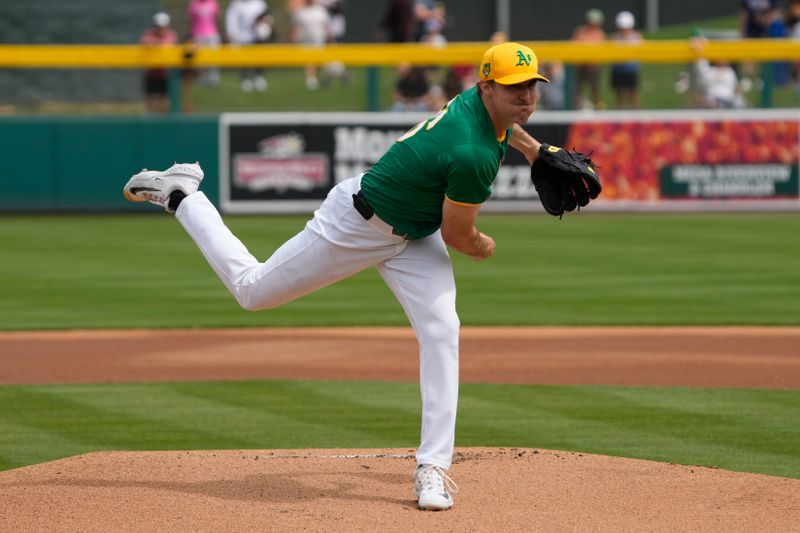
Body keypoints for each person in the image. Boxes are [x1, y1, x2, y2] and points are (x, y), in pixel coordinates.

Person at [123, 42, 554, 512]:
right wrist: (483, 246)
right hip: (356, 225)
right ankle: (183, 194)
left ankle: (433, 467)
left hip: (413, 234)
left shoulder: (476, 105)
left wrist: (535, 153)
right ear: (487, 86)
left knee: (442, 330)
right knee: (252, 292)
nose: (526, 96)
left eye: (532, 85)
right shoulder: (472, 152)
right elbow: (459, 234)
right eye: (514, 86)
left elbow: (504, 127)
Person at [226, 0, 269, 92]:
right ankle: (245, 79)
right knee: (244, 61)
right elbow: (231, 20)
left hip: (257, 37)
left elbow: (266, 18)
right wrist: (233, 36)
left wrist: (264, 27)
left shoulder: (259, 3)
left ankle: (259, 77)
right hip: (243, 38)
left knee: (259, 59)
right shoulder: (236, 3)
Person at [140, 12, 178, 113]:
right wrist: (157, 44)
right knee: (150, 102)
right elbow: (146, 42)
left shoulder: (171, 35)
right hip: (151, 73)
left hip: (165, 74)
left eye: (162, 27)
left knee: (165, 103)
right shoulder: (148, 34)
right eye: (158, 27)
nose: (160, 29)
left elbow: (169, 44)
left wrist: (156, 44)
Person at [290, 0, 332, 90]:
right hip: (305, 39)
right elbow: (296, 26)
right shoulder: (301, 11)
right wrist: (294, 38)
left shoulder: (320, 10)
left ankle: (319, 77)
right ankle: (310, 79)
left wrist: (329, 37)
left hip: (318, 39)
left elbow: (326, 25)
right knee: (308, 60)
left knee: (318, 60)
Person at [571, 8, 606, 109]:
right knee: (578, 88)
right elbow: (575, 46)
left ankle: (597, 107)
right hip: (581, 65)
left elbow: (602, 50)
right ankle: (575, 107)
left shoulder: (600, 34)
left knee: (595, 89)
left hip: (593, 67)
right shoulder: (581, 31)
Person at [609, 11, 642, 109]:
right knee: (619, 96)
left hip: (631, 69)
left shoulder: (636, 37)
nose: (624, 30)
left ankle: (637, 118)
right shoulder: (614, 38)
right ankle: (620, 119)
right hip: (617, 69)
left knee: (633, 94)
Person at [188, 0, 221, 87]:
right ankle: (202, 79)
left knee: (213, 58)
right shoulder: (193, 3)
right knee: (200, 59)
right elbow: (192, 20)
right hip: (198, 34)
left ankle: (213, 79)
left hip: (212, 33)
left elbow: (216, 17)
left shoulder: (213, 3)